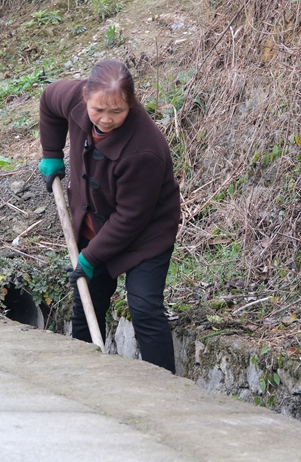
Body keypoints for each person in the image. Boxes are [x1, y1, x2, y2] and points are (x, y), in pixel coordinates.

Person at [38, 59, 181, 373]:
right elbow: (49, 100)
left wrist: (90, 257)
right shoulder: (77, 98)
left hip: (146, 235)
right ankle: (84, 374)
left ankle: (165, 386)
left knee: (143, 308)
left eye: (117, 111)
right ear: (86, 96)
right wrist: (51, 152)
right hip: (94, 222)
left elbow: (131, 217)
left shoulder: (145, 149)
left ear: (131, 102)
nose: (105, 119)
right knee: (87, 301)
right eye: (98, 110)